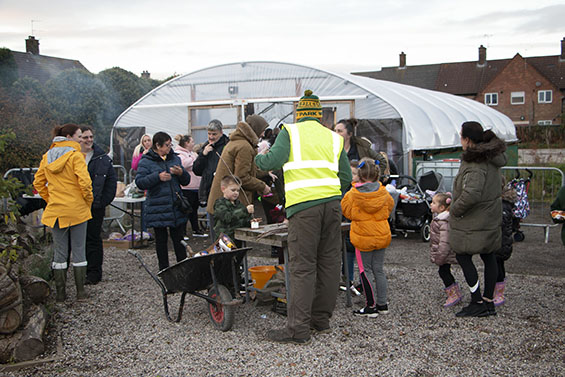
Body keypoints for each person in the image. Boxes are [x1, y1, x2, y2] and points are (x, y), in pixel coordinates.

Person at [256, 89, 352, 345]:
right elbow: (346, 178)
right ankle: (321, 321)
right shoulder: (333, 138)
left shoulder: (290, 132)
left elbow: (269, 163)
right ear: (319, 115)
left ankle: (298, 329)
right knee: (329, 263)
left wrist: (258, 156)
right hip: (332, 207)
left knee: (302, 267)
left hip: (304, 209)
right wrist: (331, 195)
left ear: (299, 113)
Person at [450, 121, 507, 317]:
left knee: (463, 255)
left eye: (461, 136)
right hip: (490, 216)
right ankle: (488, 301)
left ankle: (477, 301)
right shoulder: (492, 157)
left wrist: (454, 209)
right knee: (489, 255)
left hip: (474, 219)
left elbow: (472, 193)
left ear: (467, 139)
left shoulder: (475, 161)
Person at [33, 124, 93, 302]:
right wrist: (87, 201)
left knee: (60, 254)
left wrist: (50, 199)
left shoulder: (47, 157)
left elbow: (38, 183)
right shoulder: (76, 156)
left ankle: (61, 294)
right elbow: (85, 183)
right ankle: (81, 293)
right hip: (77, 210)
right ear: (69, 136)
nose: (81, 139)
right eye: (79, 136)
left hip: (56, 211)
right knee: (79, 252)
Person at [341, 158, 394, 317]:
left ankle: (370, 306)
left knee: (366, 270)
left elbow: (346, 212)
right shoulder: (383, 192)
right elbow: (390, 207)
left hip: (363, 236)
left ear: (360, 176)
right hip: (381, 233)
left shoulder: (353, 194)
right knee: (379, 269)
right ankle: (382, 304)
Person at [206, 115, 271, 240]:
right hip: (227, 207)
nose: (263, 134)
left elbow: (247, 171)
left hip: (220, 203)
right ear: (255, 129)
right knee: (228, 249)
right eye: (262, 130)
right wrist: (262, 186)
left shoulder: (236, 142)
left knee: (221, 249)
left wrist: (265, 173)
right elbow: (242, 177)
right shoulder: (244, 147)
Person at [135, 132, 190, 271]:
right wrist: (157, 177)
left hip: (175, 205)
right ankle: (164, 270)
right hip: (157, 206)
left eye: (170, 144)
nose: (169, 147)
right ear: (158, 145)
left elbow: (186, 181)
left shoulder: (174, 158)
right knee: (161, 240)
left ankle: (182, 269)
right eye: (167, 145)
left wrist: (181, 173)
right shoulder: (146, 161)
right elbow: (140, 182)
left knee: (179, 240)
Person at [79, 125, 117, 285]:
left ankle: (94, 273)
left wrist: (103, 201)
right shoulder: (72, 156)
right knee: (76, 240)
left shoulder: (101, 157)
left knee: (93, 238)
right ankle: (73, 271)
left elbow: (111, 181)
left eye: (90, 137)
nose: (88, 140)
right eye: (85, 137)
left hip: (95, 206)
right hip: (76, 205)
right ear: (78, 139)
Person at [193, 120, 230, 238]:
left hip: (224, 190)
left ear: (221, 132)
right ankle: (217, 249)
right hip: (209, 190)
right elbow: (197, 170)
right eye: (209, 134)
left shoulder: (227, 146)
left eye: (214, 134)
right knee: (214, 225)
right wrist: (203, 154)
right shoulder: (206, 147)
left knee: (225, 225)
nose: (211, 137)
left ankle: (227, 250)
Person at [429, 192, 462, 307]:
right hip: (443, 253)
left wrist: (440, 257)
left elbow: (444, 242)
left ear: (442, 207)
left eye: (433, 203)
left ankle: (454, 294)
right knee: (444, 271)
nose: (430, 204)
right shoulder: (440, 219)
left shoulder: (443, 221)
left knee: (443, 271)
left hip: (444, 254)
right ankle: (454, 292)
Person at [174, 134, 207, 238]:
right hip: (186, 188)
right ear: (187, 143)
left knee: (194, 210)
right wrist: (194, 158)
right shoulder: (179, 154)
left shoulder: (191, 153)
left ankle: (196, 229)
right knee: (185, 210)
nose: (194, 143)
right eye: (192, 142)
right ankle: (182, 232)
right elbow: (183, 164)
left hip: (195, 187)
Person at [494, 180, 517, 306]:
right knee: (497, 265)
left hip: (501, 241)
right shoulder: (503, 204)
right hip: (500, 240)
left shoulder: (503, 205)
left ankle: (499, 292)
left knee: (498, 266)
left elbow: (500, 222)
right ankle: (497, 290)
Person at [213, 175, 254, 246]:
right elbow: (228, 217)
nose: (236, 193)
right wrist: (245, 210)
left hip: (238, 239)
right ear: (223, 189)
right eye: (233, 190)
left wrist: (251, 221)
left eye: (238, 190)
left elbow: (243, 220)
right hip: (224, 241)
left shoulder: (238, 204)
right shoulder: (219, 204)